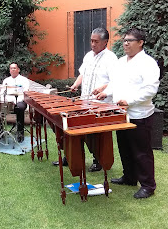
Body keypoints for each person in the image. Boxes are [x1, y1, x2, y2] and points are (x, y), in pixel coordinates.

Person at [96, 28, 160, 199]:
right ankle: (130, 177)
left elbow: (150, 89)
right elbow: (115, 82)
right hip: (120, 114)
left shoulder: (148, 63)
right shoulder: (121, 61)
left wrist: (129, 101)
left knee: (141, 151)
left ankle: (148, 185)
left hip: (139, 115)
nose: (125, 43)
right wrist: (106, 92)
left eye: (130, 40)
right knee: (124, 147)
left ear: (140, 43)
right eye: (124, 40)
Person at [52, 28, 118, 171]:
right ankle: (70, 157)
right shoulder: (88, 55)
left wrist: (102, 88)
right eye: (91, 41)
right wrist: (75, 84)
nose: (93, 44)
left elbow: (116, 80)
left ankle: (98, 160)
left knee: (95, 134)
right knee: (72, 127)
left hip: (101, 103)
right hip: (84, 101)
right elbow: (83, 73)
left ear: (105, 42)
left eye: (96, 41)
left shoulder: (111, 58)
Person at [0, 63, 30, 142]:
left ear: (18, 70)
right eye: (11, 68)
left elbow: (25, 93)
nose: (12, 70)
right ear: (9, 70)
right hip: (8, 101)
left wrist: (16, 101)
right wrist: (4, 101)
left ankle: (20, 132)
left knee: (19, 107)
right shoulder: (6, 80)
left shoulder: (24, 80)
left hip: (20, 100)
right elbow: (2, 93)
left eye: (14, 68)